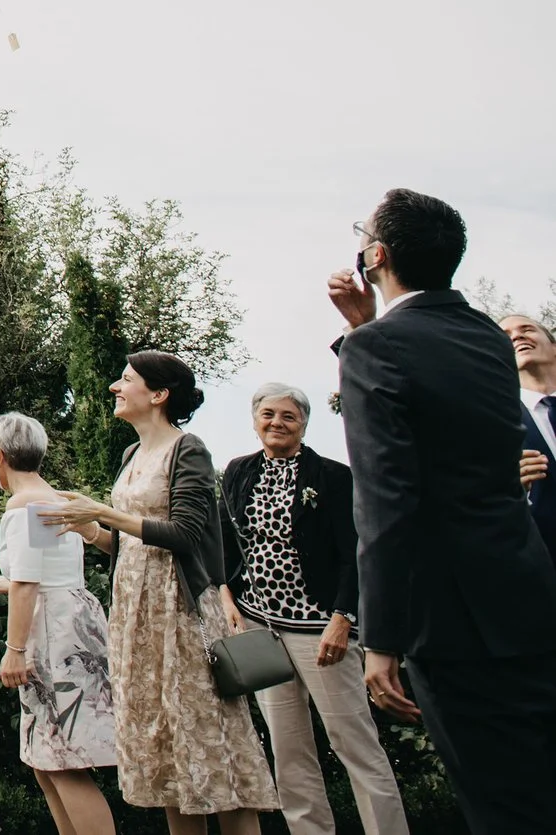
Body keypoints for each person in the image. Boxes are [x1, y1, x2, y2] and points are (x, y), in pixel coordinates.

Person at [327, 190, 556, 833]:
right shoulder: (484, 333)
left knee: (501, 807)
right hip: (526, 593)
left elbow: (387, 501)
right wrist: (363, 329)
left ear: (375, 254)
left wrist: (384, 636)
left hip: (453, 620)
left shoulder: (378, 347)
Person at [40, 354, 275, 835]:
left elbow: (187, 534)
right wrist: (91, 530)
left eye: (125, 380)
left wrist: (105, 511)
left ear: (160, 394)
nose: (113, 387)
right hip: (136, 618)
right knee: (167, 756)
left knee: (211, 744)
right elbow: (128, 545)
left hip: (180, 615)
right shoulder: (130, 456)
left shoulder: (187, 450)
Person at [216, 382, 405, 835]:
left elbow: (356, 553)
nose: (276, 423)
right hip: (261, 630)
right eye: (268, 414)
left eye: (288, 416)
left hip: (322, 631)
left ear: (303, 423)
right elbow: (225, 541)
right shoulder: (238, 472)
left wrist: (343, 619)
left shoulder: (334, 478)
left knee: (356, 745)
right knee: (289, 750)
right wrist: (227, 596)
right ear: (255, 418)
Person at [0, 412, 117, 835]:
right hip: (71, 619)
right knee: (47, 762)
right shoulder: (50, 497)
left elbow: (30, 584)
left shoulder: (21, 504)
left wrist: (14, 652)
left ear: (0, 456)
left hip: (54, 636)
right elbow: (46, 574)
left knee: (62, 763)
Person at [503, 313, 556, 561]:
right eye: (506, 336)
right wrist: (514, 491)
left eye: (527, 329)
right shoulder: (495, 427)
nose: (517, 336)